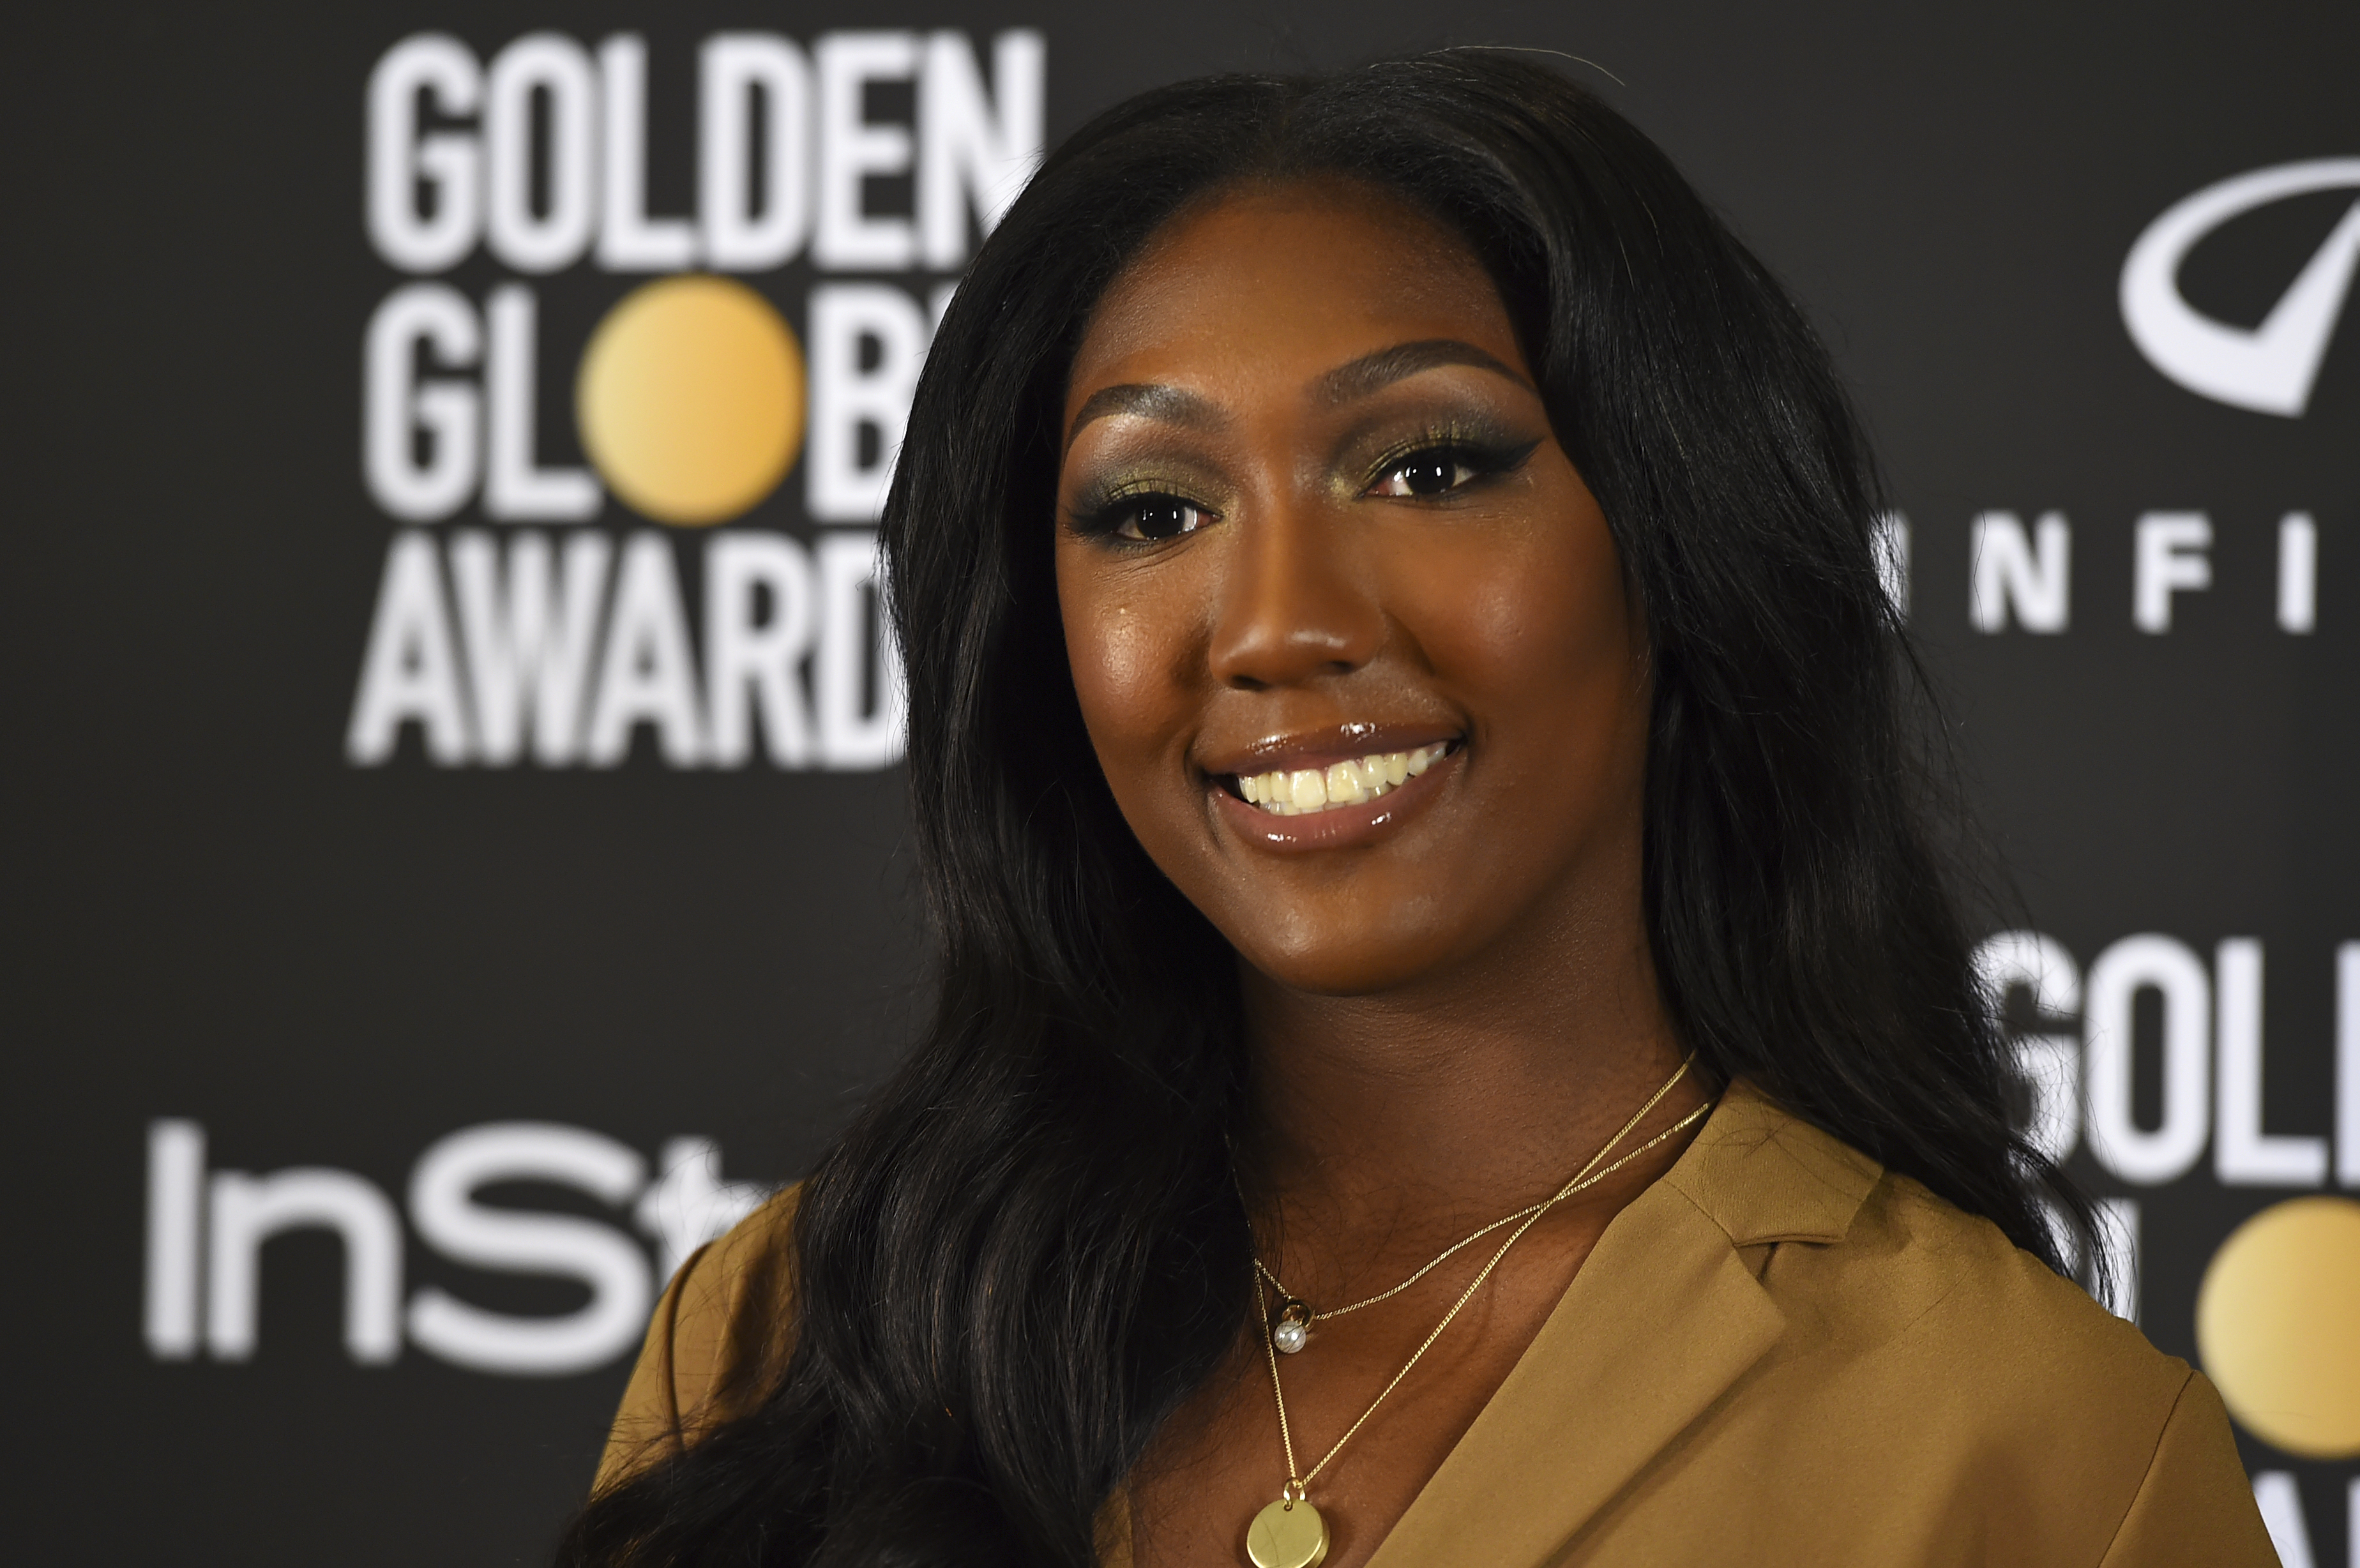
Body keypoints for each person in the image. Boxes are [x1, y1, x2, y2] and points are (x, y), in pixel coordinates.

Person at [560, 53, 2276, 1568]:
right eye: (1153, 511)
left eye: (1430, 469)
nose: (1279, 623)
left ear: (1675, 548)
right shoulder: (789, 1336)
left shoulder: (2041, 1448)